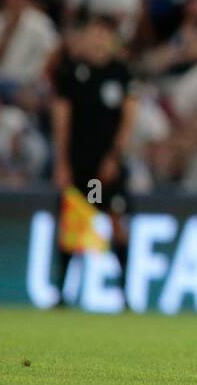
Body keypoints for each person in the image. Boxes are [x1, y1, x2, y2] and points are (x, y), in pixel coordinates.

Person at [50, 15, 137, 305]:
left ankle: (125, 293)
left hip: (108, 164)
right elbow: (62, 118)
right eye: (93, 34)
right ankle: (63, 294)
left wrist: (114, 156)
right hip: (78, 163)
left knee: (116, 223)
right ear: (84, 39)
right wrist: (61, 161)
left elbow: (128, 119)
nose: (98, 40)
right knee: (71, 225)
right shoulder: (72, 73)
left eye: (104, 35)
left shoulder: (121, 73)